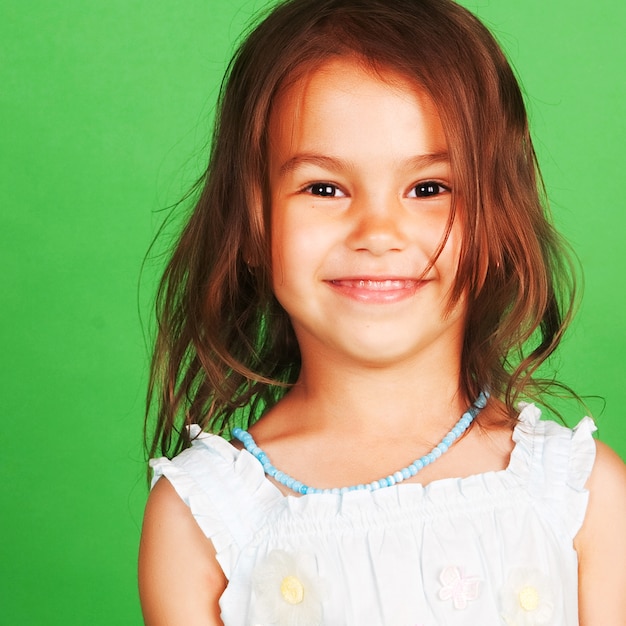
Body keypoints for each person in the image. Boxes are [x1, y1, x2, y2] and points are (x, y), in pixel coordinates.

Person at [138, 0, 626, 623]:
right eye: (324, 188)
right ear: (255, 220)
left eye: (428, 189)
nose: (378, 231)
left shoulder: (577, 493)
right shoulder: (206, 515)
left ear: (496, 219)